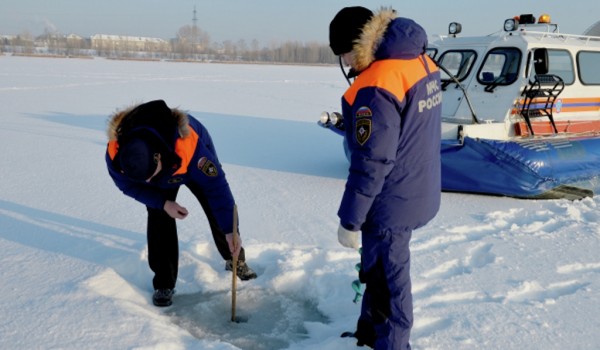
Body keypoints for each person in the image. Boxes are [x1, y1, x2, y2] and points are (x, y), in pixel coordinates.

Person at [328, 7, 442, 349]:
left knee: (390, 284)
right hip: (417, 186)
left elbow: (372, 159)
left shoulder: (377, 84)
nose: (347, 63)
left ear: (357, 45)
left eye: (344, 53)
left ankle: (392, 344)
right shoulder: (419, 60)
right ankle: (369, 334)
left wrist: (350, 219)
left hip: (390, 201)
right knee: (376, 271)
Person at [105, 99, 257, 307]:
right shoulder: (116, 157)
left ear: (158, 158)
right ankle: (164, 283)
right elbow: (129, 187)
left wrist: (232, 230)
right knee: (159, 217)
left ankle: (236, 259)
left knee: (217, 210)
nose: (148, 183)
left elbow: (217, 189)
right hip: (165, 170)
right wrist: (162, 202)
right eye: (143, 180)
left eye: (150, 176)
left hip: (187, 165)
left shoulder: (191, 148)